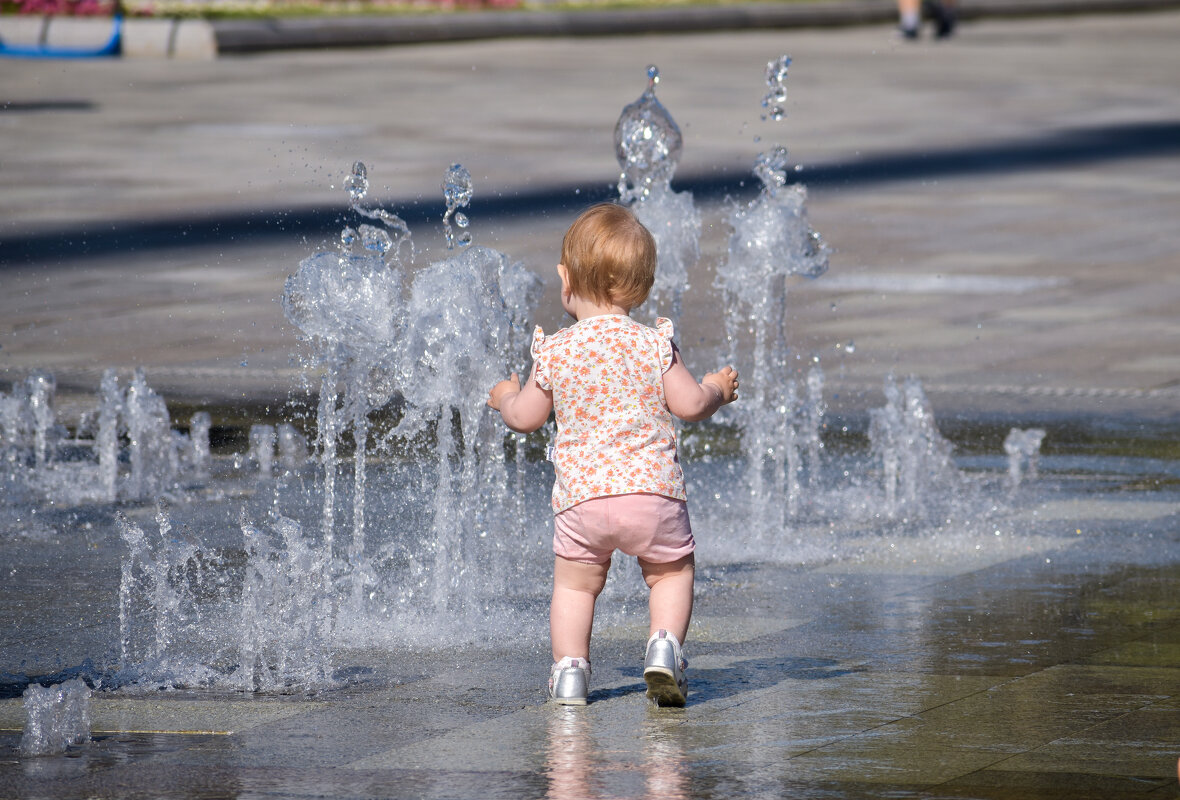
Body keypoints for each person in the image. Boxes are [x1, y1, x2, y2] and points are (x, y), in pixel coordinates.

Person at [487, 203, 739, 707]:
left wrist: (502, 398)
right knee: (671, 572)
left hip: (582, 501)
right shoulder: (653, 344)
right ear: (642, 287)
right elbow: (690, 405)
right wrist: (716, 388)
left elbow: (525, 417)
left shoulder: (556, 351)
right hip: (652, 494)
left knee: (576, 589)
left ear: (566, 279)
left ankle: (569, 673)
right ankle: (665, 648)